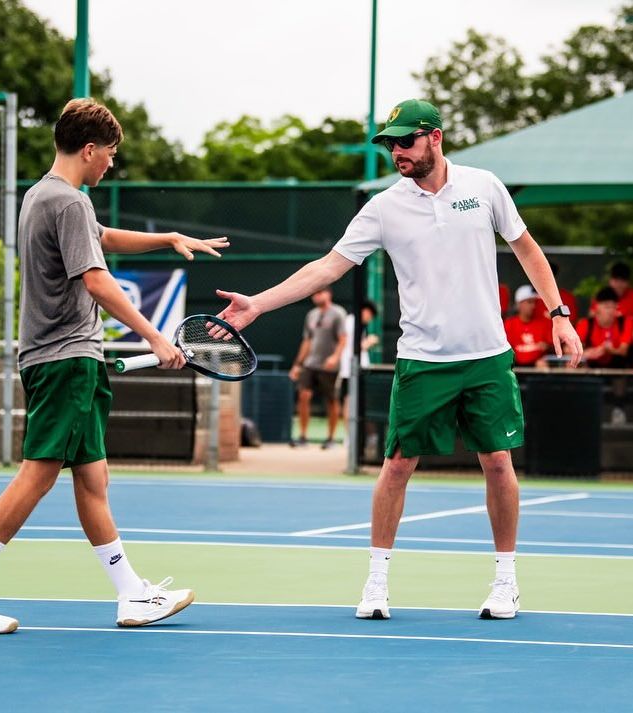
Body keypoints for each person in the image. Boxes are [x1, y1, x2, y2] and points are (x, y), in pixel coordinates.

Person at [215, 98, 583, 621]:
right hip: (422, 360)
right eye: (389, 144)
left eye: (405, 141)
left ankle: (506, 582)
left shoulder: (484, 187)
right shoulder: (384, 207)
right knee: (396, 466)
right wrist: (258, 302)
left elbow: (527, 249)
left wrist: (559, 313)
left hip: (486, 357)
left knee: (498, 463)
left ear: (434, 136)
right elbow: (325, 269)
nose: (396, 152)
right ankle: (377, 581)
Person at [0, 98, 230, 634]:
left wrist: (168, 238)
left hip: (68, 358)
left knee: (93, 479)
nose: (110, 164)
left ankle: (131, 594)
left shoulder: (44, 196)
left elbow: (103, 238)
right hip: (64, 360)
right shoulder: (68, 203)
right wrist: (157, 337)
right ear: (90, 150)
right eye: (109, 154)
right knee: (39, 473)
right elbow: (95, 277)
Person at [289, 287, 347, 449]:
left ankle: (331, 438)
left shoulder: (338, 313)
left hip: (329, 366)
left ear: (329, 294)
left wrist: (335, 357)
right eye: (314, 293)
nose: (316, 296)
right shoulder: (311, 315)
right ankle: (303, 436)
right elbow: (307, 341)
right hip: (310, 364)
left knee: (331, 400)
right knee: (304, 395)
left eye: (320, 292)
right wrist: (297, 364)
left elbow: (343, 339)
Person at [339, 300, 379, 431]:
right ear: (365, 311)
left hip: (356, 370)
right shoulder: (351, 322)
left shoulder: (356, 324)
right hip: (351, 370)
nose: (369, 319)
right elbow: (353, 347)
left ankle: (356, 437)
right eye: (370, 315)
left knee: (356, 403)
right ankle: (351, 437)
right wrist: (370, 341)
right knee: (349, 402)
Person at [577, 286, 633, 368]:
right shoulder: (586, 324)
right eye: (607, 307)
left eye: (613, 307)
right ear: (597, 307)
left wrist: (607, 350)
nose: (610, 311)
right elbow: (568, 349)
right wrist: (587, 353)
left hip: (619, 370)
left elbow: (623, 350)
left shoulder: (625, 322)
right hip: (591, 369)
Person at [505, 285, 552, 367]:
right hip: (515, 367)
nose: (533, 306)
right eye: (529, 302)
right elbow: (508, 352)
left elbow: (550, 348)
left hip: (537, 368)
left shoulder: (543, 323)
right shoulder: (510, 323)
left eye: (535, 302)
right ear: (519, 304)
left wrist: (546, 347)